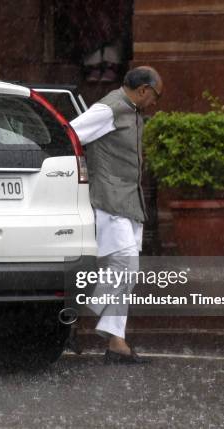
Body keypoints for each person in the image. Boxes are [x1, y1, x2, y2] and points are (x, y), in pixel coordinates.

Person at [69, 66, 163, 364]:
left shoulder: (130, 110)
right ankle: (87, 312)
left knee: (128, 269)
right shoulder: (109, 108)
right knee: (124, 262)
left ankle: (116, 342)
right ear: (144, 90)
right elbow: (69, 133)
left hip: (129, 202)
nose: (155, 103)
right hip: (109, 200)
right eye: (155, 96)